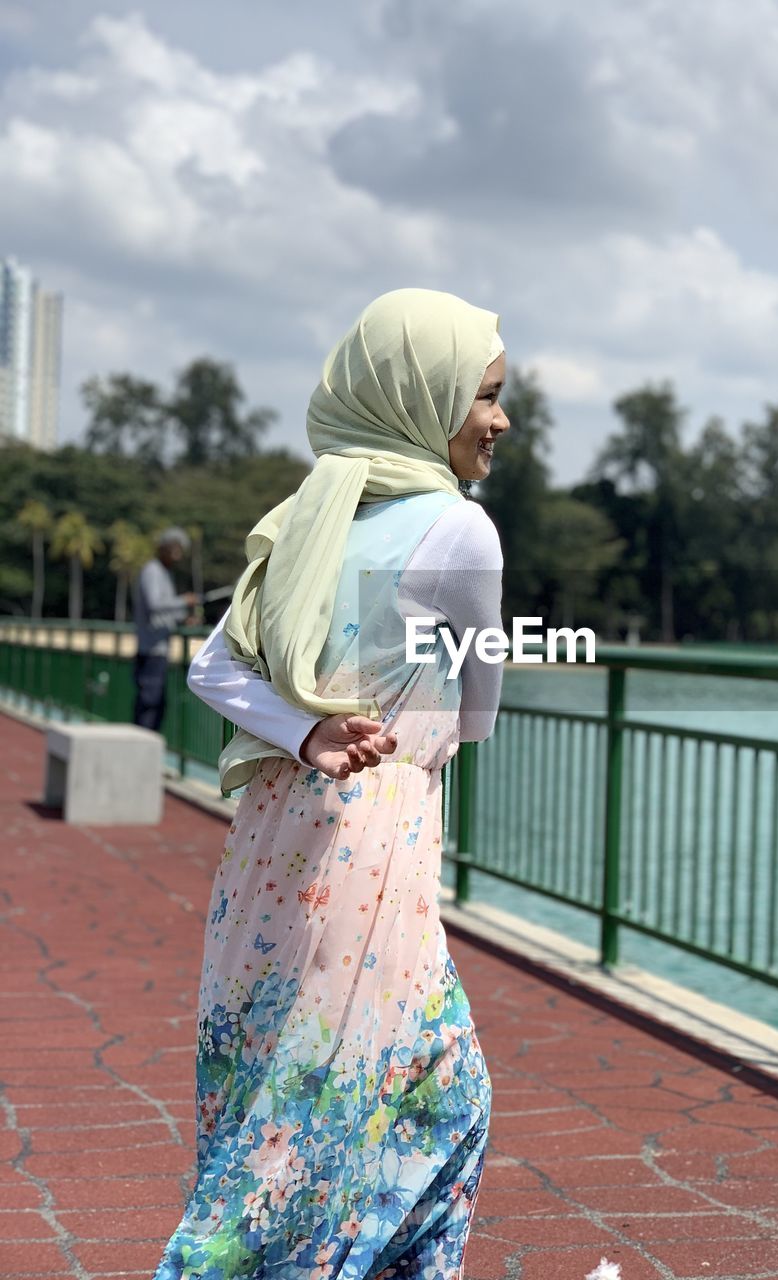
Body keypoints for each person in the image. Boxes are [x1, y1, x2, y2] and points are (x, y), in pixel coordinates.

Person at [152, 288, 509, 1280]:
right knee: (421, 1099)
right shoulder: (457, 530)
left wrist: (309, 731)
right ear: (421, 394)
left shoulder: (310, 514)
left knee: (280, 1092)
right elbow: (480, 704)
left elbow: (212, 669)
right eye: (484, 394)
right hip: (375, 835)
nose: (501, 419)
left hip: (272, 832)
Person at [133, 528, 199, 731]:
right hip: (151, 649)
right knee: (149, 703)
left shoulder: (164, 573)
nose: (177, 555)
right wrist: (183, 600)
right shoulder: (152, 571)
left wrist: (183, 618)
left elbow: (163, 611)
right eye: (174, 549)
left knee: (157, 705)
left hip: (159, 649)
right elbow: (155, 604)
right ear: (163, 549)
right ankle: (141, 749)